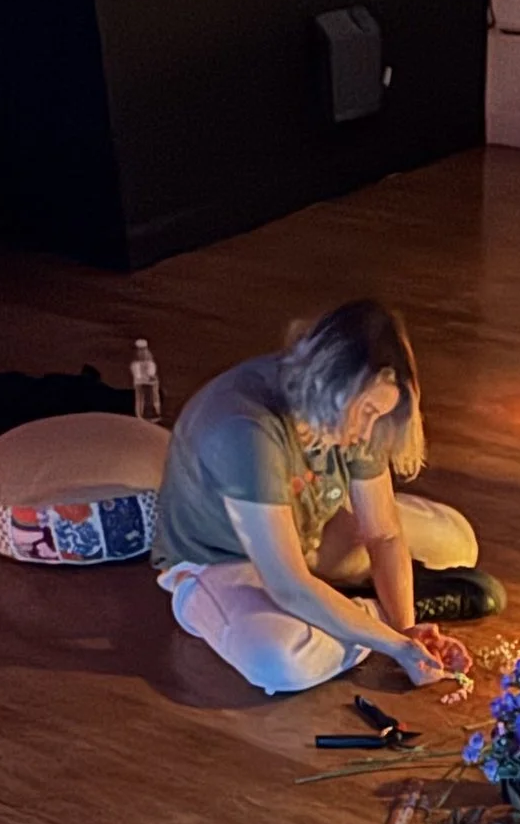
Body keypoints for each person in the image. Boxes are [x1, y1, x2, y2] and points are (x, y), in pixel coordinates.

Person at [154, 298, 500, 695]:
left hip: (307, 534)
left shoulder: (354, 407)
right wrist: (394, 643)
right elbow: (288, 584)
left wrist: (409, 629)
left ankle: (352, 611)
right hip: (225, 562)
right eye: (367, 412)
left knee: (457, 541)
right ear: (330, 387)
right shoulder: (244, 429)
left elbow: (384, 534)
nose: (368, 432)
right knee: (278, 661)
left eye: (378, 415)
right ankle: (364, 613)